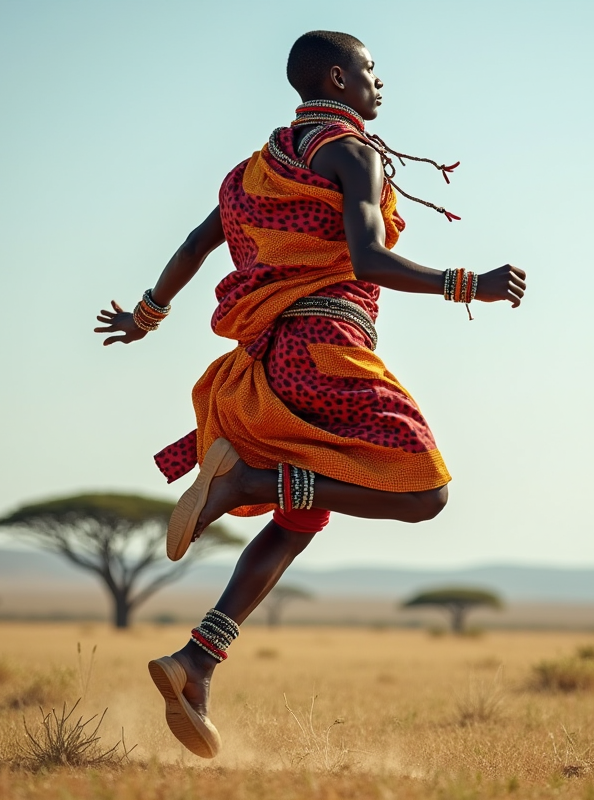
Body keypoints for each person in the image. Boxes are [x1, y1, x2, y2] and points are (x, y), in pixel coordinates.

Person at [94, 30, 526, 758]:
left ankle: (196, 662)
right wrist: (466, 284)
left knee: (301, 516)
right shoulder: (352, 154)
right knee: (425, 493)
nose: (380, 82)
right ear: (337, 77)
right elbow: (368, 257)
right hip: (326, 349)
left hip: (271, 363)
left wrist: (146, 314)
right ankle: (244, 481)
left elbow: (197, 244)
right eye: (371, 69)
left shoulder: (256, 170)